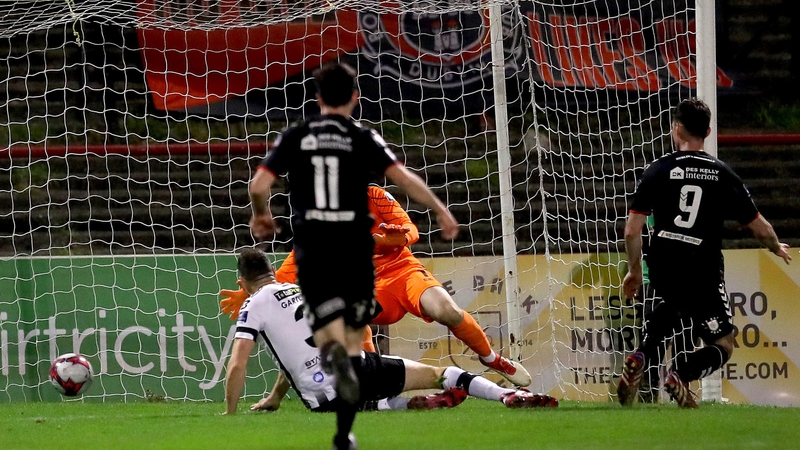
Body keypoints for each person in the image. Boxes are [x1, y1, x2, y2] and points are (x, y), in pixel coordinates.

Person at [247, 61, 459, 450]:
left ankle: (334, 362)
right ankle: (343, 435)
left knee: (328, 344)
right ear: (355, 98)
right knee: (354, 350)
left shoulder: (297, 134)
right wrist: (440, 210)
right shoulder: (363, 136)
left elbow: (259, 182)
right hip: (356, 253)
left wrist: (262, 214)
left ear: (317, 98)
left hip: (314, 253)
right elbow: (403, 178)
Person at [239, 185, 530, 386]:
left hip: (404, 273)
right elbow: (282, 279)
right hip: (371, 290)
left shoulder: (375, 196)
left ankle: (492, 359)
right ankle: (373, 387)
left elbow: (411, 231)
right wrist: (248, 290)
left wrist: (395, 238)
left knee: (447, 311)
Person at [223, 249, 557, 418]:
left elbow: (239, 364)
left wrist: (231, 412)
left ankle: (399, 405)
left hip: (325, 397)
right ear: (272, 271)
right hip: (358, 365)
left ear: (243, 284)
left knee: (360, 404)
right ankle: (507, 395)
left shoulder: (255, 305)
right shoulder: (305, 292)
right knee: (445, 374)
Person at [618, 98, 792, 408]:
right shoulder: (722, 173)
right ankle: (681, 375)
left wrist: (634, 270)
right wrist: (775, 246)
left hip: (663, 260)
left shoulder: (658, 170)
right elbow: (759, 226)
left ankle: (641, 353)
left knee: (672, 304)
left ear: (677, 129)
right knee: (723, 343)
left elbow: (632, 230)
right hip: (703, 265)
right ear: (708, 132)